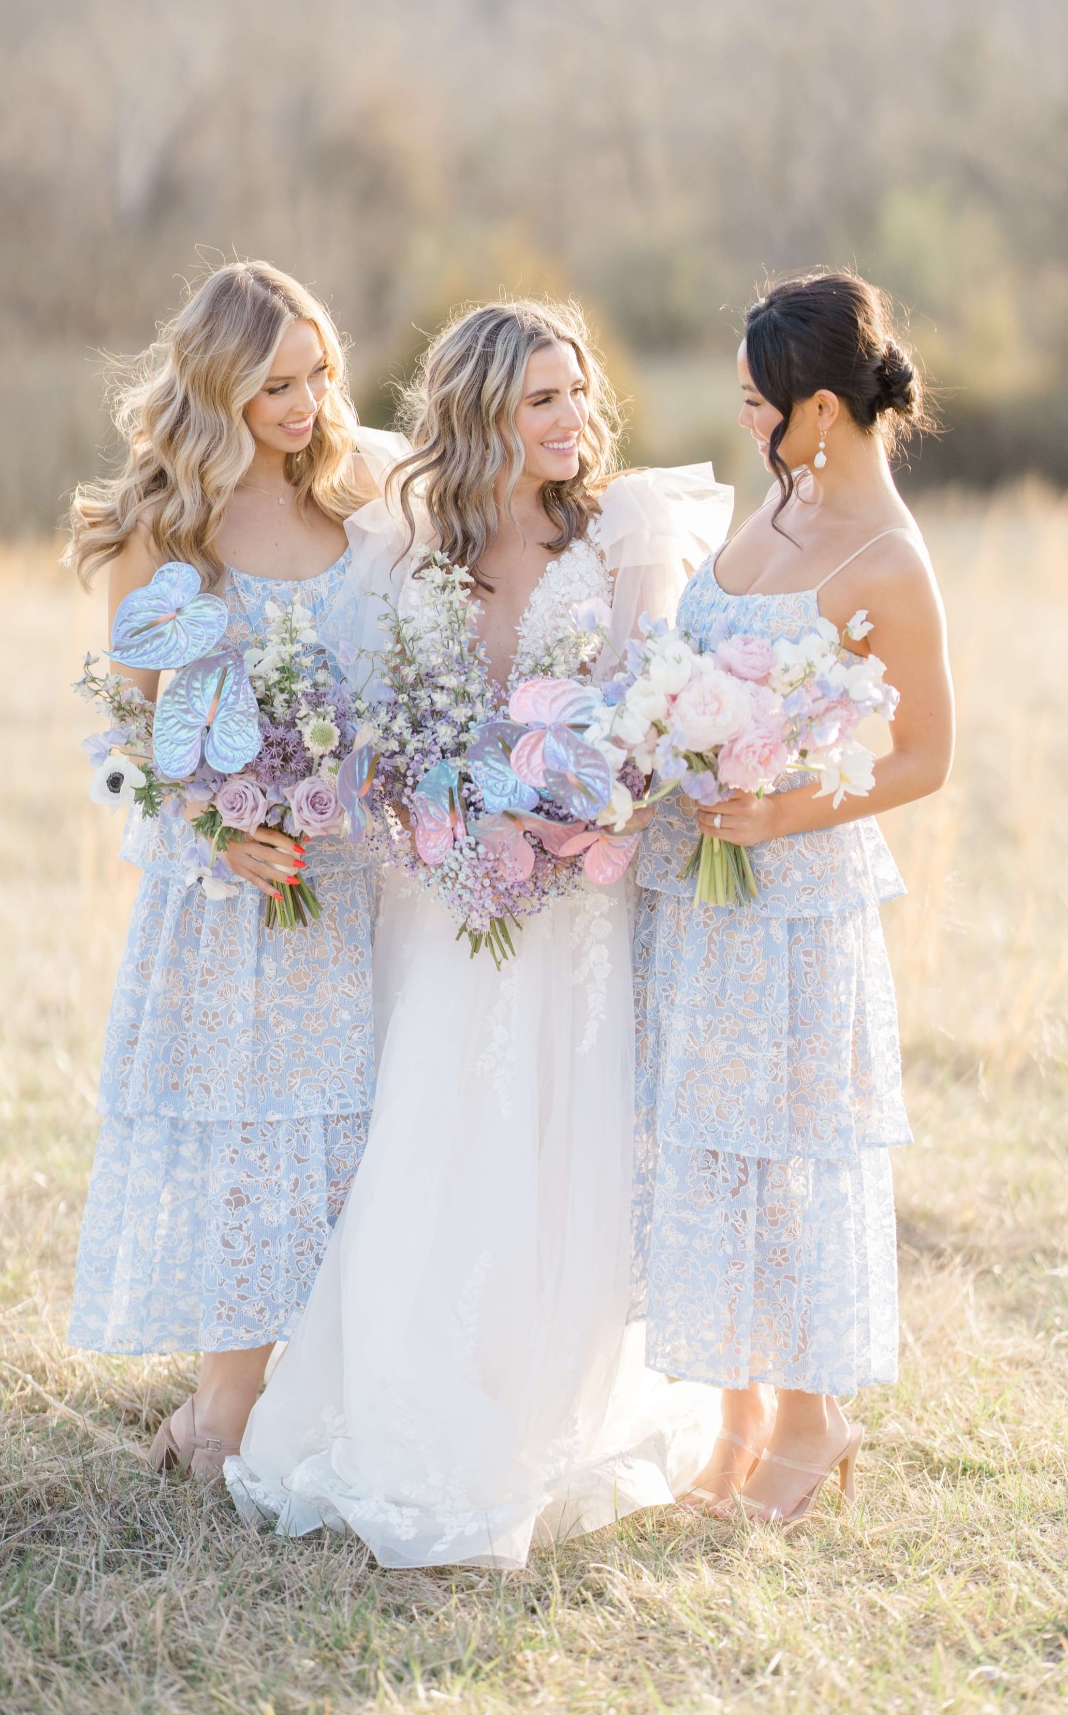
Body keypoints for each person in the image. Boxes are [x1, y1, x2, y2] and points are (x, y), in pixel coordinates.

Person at [226, 299, 731, 1567]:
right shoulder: (405, 537)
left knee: (561, 1131)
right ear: (479, 413)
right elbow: (380, 701)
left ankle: (543, 1408)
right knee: (429, 1125)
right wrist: (417, 790)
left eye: (578, 393)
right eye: (539, 400)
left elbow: (640, 702)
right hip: (435, 890)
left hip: (574, 894)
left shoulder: (627, 527)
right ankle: (406, 1399)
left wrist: (558, 811)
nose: (572, 421)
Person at [65, 261, 405, 1477]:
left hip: (353, 874)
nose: (309, 403)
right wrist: (216, 830)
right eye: (276, 384)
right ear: (218, 385)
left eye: (319, 374)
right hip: (231, 897)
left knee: (351, 1146)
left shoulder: (360, 483)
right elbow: (122, 730)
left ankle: (324, 1397)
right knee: (247, 1150)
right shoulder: (172, 522)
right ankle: (222, 1411)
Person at [633, 270, 954, 1525]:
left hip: (800, 900)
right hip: (705, 891)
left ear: (822, 407)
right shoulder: (776, 502)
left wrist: (782, 808)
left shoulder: (891, 559)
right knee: (714, 1147)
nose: (749, 420)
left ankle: (817, 1422)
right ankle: (740, 1413)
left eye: (763, 403)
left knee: (794, 1157)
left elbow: (926, 755)